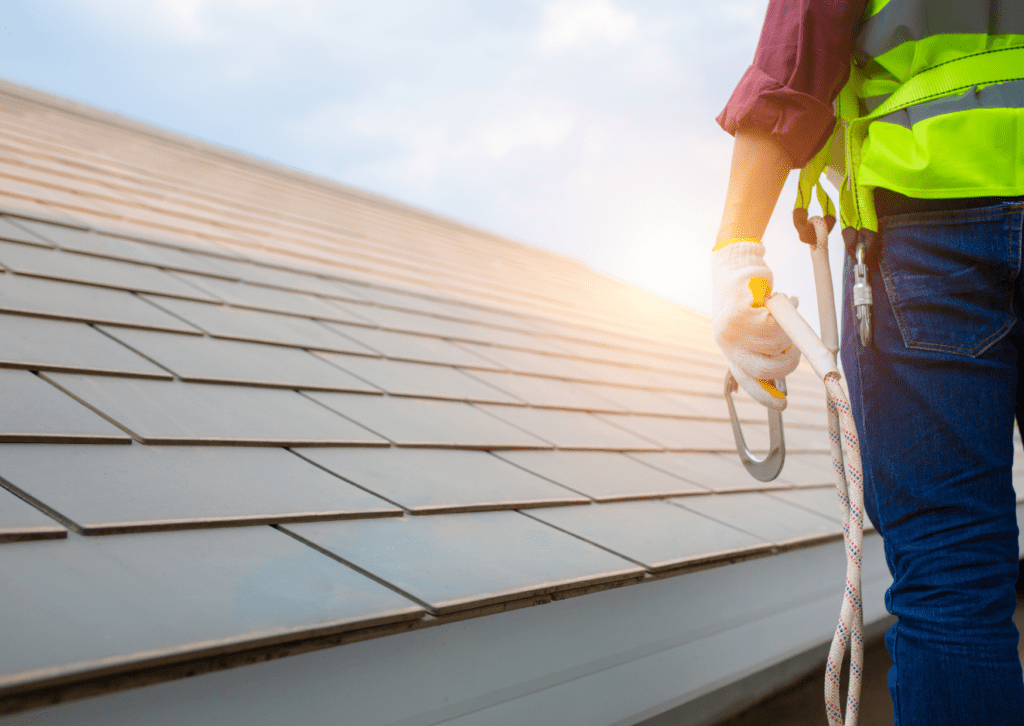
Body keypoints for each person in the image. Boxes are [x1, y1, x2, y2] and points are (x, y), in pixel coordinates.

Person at [712, 1, 1024, 724]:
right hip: (920, 244)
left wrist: (737, 247)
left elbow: (799, 50)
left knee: (950, 572)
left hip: (924, 231)